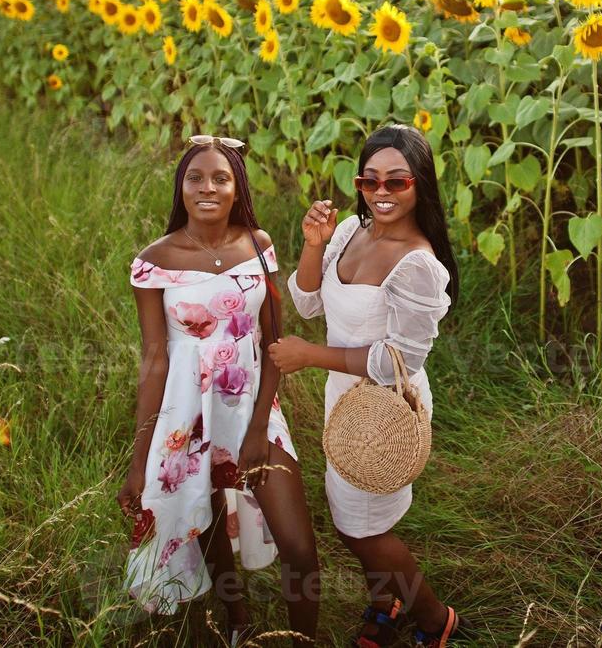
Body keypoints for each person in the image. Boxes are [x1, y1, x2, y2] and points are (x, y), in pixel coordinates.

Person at [269, 123, 472, 647]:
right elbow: (310, 302)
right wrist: (313, 245)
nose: (381, 193)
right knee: (351, 516)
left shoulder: (418, 265)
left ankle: (434, 620)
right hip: (347, 400)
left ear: (420, 185)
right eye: (369, 181)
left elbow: (397, 359)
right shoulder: (351, 231)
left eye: (397, 182)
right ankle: (387, 601)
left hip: (384, 408)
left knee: (363, 529)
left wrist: (309, 356)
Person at [119, 133, 320, 645]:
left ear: (237, 188)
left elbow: (273, 341)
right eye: (195, 177)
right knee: (207, 522)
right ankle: (237, 623)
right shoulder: (154, 261)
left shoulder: (258, 244)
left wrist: (257, 428)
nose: (207, 187)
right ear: (180, 187)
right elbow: (155, 359)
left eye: (220, 178)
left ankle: (304, 641)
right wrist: (139, 459)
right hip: (185, 415)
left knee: (299, 548)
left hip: (253, 408)